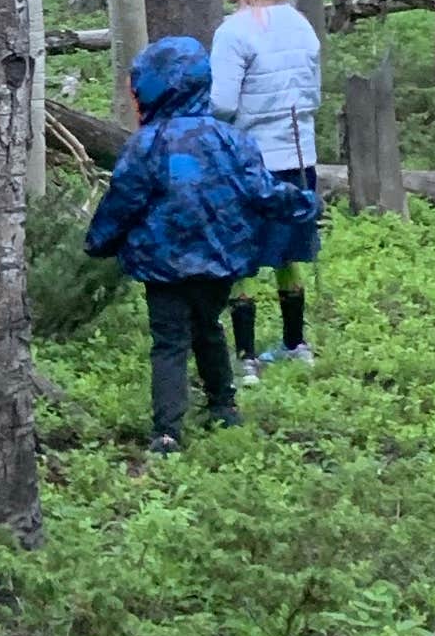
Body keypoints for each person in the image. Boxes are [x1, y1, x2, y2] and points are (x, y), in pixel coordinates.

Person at [85, 33, 289, 456]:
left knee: (170, 340)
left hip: (163, 265)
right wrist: (302, 205)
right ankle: (223, 404)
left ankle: (167, 432)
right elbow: (260, 191)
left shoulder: (146, 145)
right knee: (209, 327)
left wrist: (99, 241)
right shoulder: (231, 139)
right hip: (220, 259)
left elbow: (124, 199)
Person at [209, 0, 323, 371]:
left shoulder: (233, 32)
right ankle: (297, 344)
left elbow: (222, 102)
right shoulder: (301, 24)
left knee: (241, 256)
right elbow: (311, 93)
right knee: (289, 251)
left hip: (250, 161)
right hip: (299, 158)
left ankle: (246, 355)